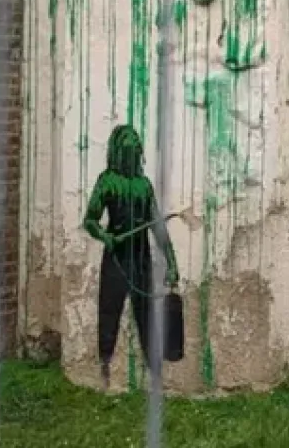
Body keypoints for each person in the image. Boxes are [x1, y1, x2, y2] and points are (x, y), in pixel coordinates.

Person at [83, 124, 179, 390]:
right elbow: (90, 220)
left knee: (146, 314)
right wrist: (106, 237)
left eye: (135, 153)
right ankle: (104, 366)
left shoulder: (143, 186)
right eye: (127, 153)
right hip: (116, 257)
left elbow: (158, 229)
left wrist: (172, 263)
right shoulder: (107, 181)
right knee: (109, 311)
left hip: (140, 257)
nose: (131, 158)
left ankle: (155, 373)